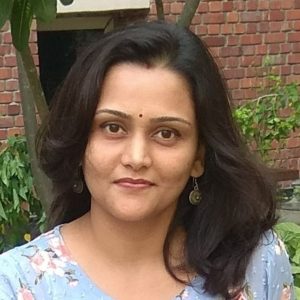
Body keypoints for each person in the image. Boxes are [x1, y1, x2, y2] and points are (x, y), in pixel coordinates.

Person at [0, 21, 294, 300]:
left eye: (166, 133)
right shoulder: (18, 283)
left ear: (199, 156)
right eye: (113, 128)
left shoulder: (254, 266)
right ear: (79, 143)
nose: (136, 158)